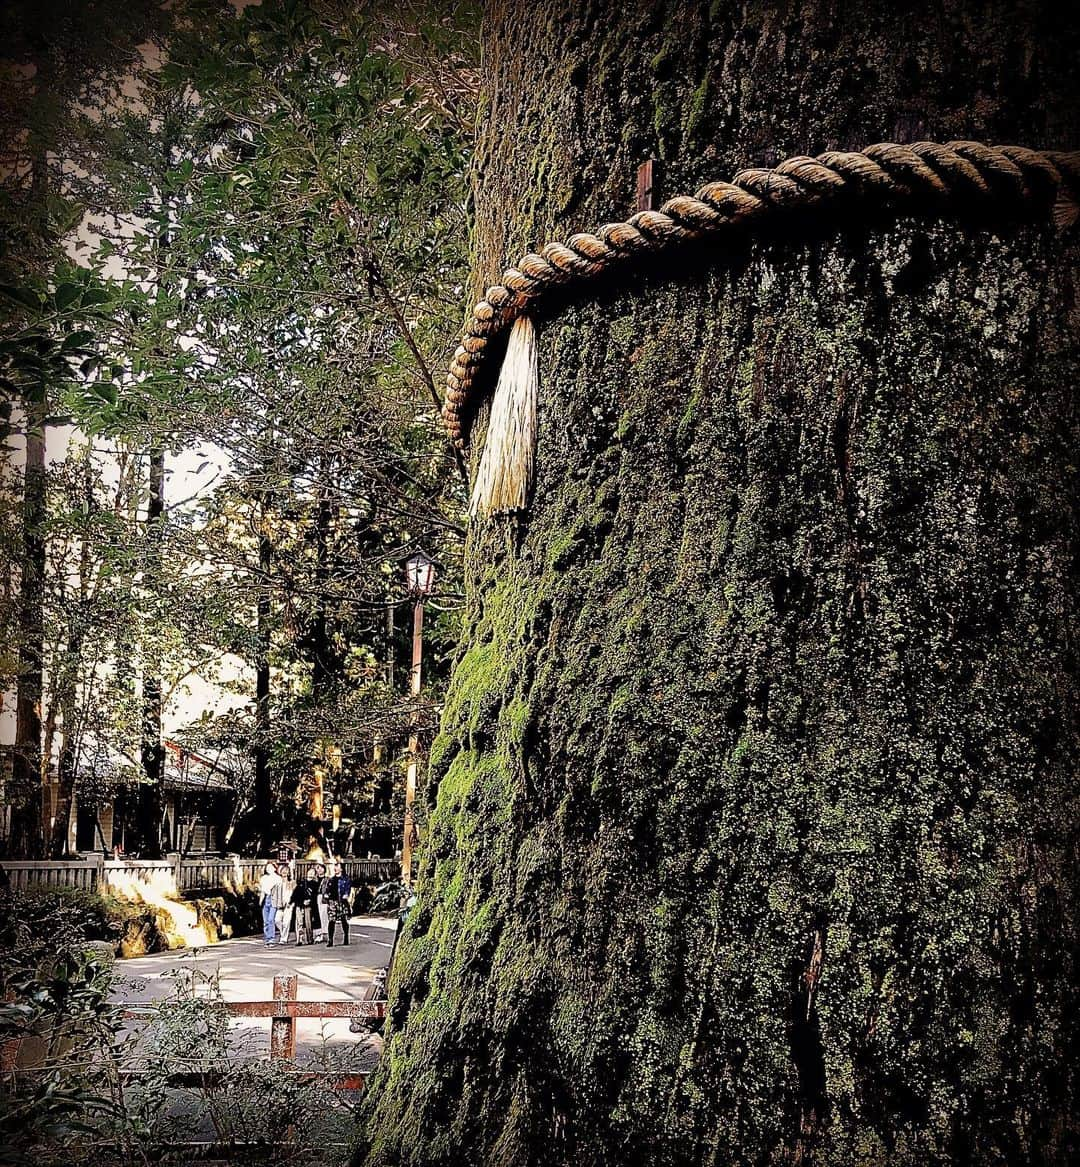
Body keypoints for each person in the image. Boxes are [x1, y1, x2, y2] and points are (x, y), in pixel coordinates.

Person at [320, 861, 352, 947]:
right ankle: (330, 940)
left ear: (341, 868)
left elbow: (348, 889)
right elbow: (327, 889)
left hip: (342, 901)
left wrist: (346, 895)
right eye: (335, 866)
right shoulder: (331, 879)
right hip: (332, 902)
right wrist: (326, 895)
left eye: (337, 866)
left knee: (343, 920)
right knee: (331, 920)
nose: (335, 868)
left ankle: (346, 937)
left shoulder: (345, 879)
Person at [259, 862, 281, 947]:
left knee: (271, 919)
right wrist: (260, 900)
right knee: (266, 921)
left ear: (275, 868)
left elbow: (279, 891)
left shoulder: (278, 878)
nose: (269, 869)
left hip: (273, 899)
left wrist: (279, 902)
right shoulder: (264, 878)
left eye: (271, 867)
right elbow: (263, 890)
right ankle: (267, 939)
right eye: (267, 867)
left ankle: (271, 938)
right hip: (266, 899)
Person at [290, 871, 315, 945]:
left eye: (313, 872)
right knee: (299, 922)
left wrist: (309, 901)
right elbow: (295, 895)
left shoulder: (315, 884)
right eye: (309, 872)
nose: (311, 874)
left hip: (309, 905)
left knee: (308, 922)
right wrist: (297, 902)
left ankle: (309, 939)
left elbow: (315, 896)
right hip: (299, 904)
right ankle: (299, 939)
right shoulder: (301, 883)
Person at [275, 860, 297, 944]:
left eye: (286, 871)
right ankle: (283, 933)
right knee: (277, 920)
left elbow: (294, 894)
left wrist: (291, 903)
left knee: (286, 922)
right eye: (283, 871)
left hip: (289, 904)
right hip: (280, 904)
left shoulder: (292, 882)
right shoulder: (278, 883)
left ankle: (283, 938)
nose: (284, 873)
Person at [311, 862, 328, 943]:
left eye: (321, 868)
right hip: (315, 898)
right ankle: (318, 934)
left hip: (323, 898)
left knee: (323, 916)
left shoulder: (327, 879)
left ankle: (324, 933)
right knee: (316, 916)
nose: (320, 870)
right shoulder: (314, 879)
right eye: (318, 868)